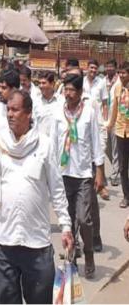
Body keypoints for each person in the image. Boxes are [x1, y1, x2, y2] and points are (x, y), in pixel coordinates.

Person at [0, 90, 73, 304]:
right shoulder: (0, 144)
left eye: (15, 110)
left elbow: (57, 188)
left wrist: (66, 226)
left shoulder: (44, 144)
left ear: (29, 113)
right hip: (4, 242)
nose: (10, 114)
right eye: (8, 109)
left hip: (37, 245)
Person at [50, 74, 105, 279]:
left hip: (83, 175)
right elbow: (53, 143)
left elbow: (96, 142)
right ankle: (72, 257)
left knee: (84, 219)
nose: (68, 93)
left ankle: (89, 253)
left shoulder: (89, 113)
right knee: (68, 219)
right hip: (63, 174)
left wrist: (99, 170)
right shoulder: (58, 113)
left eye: (72, 90)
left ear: (81, 93)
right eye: (66, 89)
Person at [106, 62, 129, 208]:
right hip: (120, 131)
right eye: (119, 73)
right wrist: (109, 124)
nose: (121, 75)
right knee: (122, 166)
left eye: (124, 73)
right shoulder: (117, 87)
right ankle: (126, 196)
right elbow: (114, 107)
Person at [104, 59, 120, 187]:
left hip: (115, 119)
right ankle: (117, 166)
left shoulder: (120, 82)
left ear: (115, 68)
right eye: (107, 66)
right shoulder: (102, 81)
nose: (109, 69)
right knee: (106, 148)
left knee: (115, 148)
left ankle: (115, 174)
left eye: (111, 66)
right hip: (104, 119)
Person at [33, 71, 64, 136]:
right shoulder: (35, 102)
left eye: (44, 83)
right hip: (41, 142)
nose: (41, 86)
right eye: (39, 83)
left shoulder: (61, 101)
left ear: (52, 84)